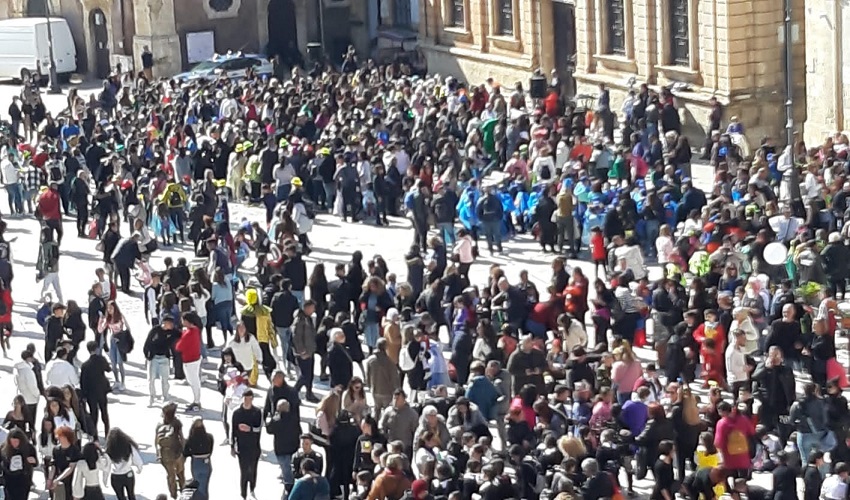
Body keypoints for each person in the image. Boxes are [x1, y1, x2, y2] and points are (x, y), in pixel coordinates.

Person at [231, 389, 262, 500]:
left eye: (249, 399)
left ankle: (252, 488)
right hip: (241, 446)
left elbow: (259, 429)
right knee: (243, 470)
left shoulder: (257, 412)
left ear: (252, 399)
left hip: (254, 446)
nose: (247, 401)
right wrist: (232, 446)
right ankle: (243, 493)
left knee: (253, 469)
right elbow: (233, 430)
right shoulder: (237, 413)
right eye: (245, 399)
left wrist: (250, 429)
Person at [265, 399, 300, 493]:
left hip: (281, 449)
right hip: (293, 447)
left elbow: (269, 430)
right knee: (288, 465)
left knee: (285, 467)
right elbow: (299, 431)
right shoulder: (294, 419)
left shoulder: (276, 420)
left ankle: (289, 487)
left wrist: (270, 419)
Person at [79, 340, 111, 440]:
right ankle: (107, 434)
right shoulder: (101, 359)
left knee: (94, 414)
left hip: (91, 393)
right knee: (104, 413)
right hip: (102, 390)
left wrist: (83, 395)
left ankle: (95, 436)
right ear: (96, 348)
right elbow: (108, 369)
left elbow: (82, 381)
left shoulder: (85, 365)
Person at [143, 315, 176, 406]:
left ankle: (165, 396)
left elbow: (180, 335)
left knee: (165, 379)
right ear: (165, 323)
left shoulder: (172, 332)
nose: (172, 325)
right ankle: (151, 397)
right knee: (151, 379)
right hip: (153, 358)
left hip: (164, 358)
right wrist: (147, 356)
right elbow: (147, 343)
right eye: (170, 323)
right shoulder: (155, 331)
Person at [155, 402, 185, 499]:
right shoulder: (176, 423)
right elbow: (182, 438)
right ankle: (183, 492)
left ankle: (173, 495)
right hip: (177, 453)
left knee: (170, 475)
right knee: (180, 473)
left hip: (165, 455)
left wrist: (158, 455)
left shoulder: (159, 424)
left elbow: (156, 442)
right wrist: (184, 452)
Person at [104, 428, 143, 500]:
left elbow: (107, 467)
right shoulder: (129, 446)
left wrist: (105, 479)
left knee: (120, 497)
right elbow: (137, 459)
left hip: (116, 476)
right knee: (131, 495)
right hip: (128, 474)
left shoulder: (109, 449)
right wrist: (139, 467)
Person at [176, 312, 204, 412]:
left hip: (189, 361)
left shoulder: (188, 333)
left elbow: (178, 347)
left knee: (193, 381)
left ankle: (197, 401)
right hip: (196, 358)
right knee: (195, 380)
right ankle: (196, 399)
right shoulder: (195, 330)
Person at [183, 417, 214, 500]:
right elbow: (210, 451)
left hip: (196, 463)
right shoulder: (209, 437)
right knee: (204, 486)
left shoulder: (191, 438)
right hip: (206, 463)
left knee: (198, 485)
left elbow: (185, 452)